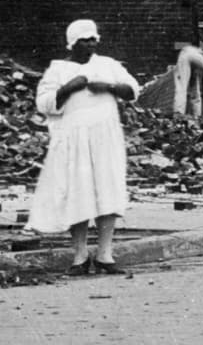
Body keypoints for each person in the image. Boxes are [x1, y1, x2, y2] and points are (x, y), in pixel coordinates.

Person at [30, 20, 139, 275]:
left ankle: (104, 253)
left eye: (93, 39)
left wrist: (109, 87)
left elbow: (132, 90)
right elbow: (44, 103)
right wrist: (68, 88)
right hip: (73, 139)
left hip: (106, 136)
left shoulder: (108, 65)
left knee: (107, 190)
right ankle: (80, 255)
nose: (90, 44)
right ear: (73, 43)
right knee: (78, 193)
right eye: (84, 40)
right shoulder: (58, 70)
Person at [172, 44, 203, 120]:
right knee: (195, 91)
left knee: (181, 86)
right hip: (200, 60)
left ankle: (178, 113)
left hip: (186, 54)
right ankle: (196, 116)